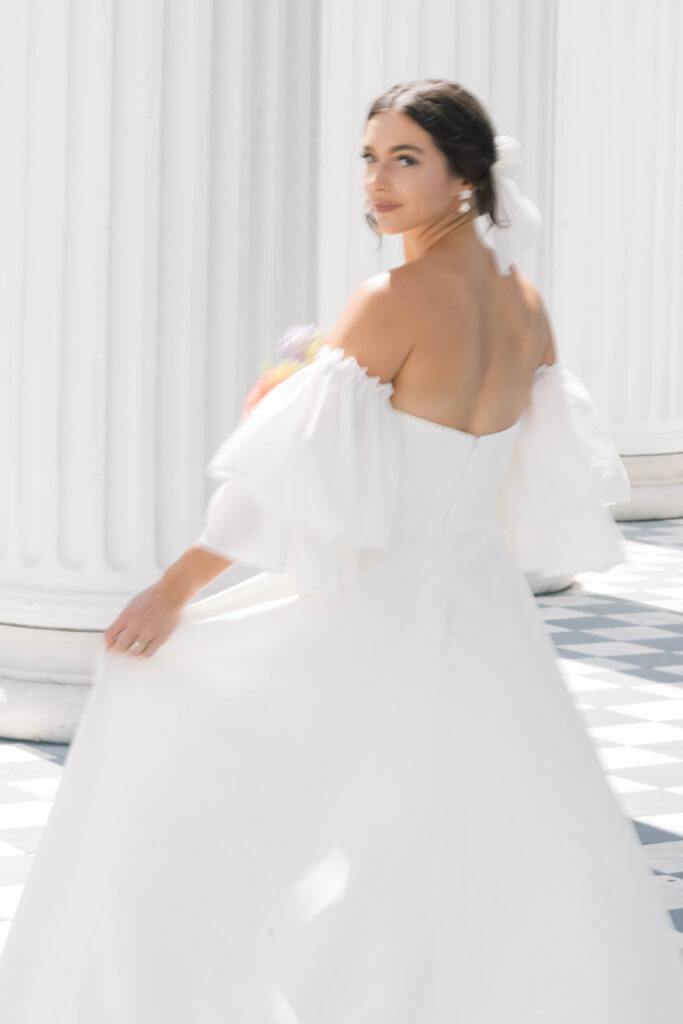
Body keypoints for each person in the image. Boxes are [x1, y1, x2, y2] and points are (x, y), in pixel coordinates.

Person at [0, 78, 681, 1022]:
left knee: (180, 711)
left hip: (377, 600)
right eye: (369, 157)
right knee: (475, 820)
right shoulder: (524, 301)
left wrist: (172, 590)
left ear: (467, 178)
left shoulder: (390, 295)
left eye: (406, 159)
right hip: (482, 603)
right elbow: (527, 464)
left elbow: (282, 487)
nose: (378, 181)